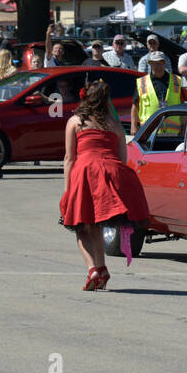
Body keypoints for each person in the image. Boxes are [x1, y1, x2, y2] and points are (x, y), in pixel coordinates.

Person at [60, 79, 151, 290]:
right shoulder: (114, 123)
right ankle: (103, 269)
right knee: (96, 225)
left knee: (80, 227)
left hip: (85, 171)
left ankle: (93, 269)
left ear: (85, 97)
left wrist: (67, 191)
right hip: (111, 171)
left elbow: (69, 158)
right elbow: (122, 156)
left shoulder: (75, 121)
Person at [131, 52, 180, 134]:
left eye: (161, 63)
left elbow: (181, 103)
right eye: (155, 63)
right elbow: (135, 106)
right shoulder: (142, 82)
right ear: (150, 64)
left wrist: (184, 126)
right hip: (148, 131)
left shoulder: (176, 81)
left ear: (164, 63)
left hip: (171, 132)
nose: (158, 66)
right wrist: (134, 126)